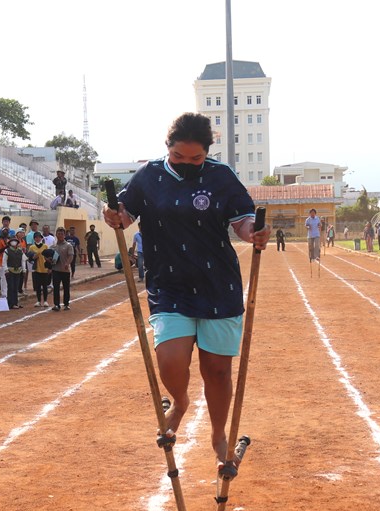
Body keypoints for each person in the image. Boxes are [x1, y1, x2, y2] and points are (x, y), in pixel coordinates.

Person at [103, 112, 269, 476]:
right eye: (180, 157)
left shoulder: (221, 176)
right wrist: (113, 216)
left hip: (218, 286)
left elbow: (241, 220)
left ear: (207, 153)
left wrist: (253, 233)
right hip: (169, 285)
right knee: (171, 360)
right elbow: (124, 214)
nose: (189, 164)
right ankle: (179, 402)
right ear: (168, 149)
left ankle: (218, 435)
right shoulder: (149, 176)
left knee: (218, 371)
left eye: (196, 159)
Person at [51, 226, 75, 311]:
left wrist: (67, 263)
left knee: (66, 288)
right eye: (58, 233)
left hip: (65, 271)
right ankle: (56, 304)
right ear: (56, 235)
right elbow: (50, 258)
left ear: (64, 235)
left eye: (62, 234)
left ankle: (66, 304)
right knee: (56, 288)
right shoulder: (53, 247)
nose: (60, 235)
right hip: (56, 270)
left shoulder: (68, 245)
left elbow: (71, 256)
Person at [27, 231, 52, 308]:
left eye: (39, 237)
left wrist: (50, 267)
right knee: (37, 286)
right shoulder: (31, 247)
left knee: (45, 286)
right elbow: (29, 258)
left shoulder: (45, 246)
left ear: (41, 238)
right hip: (36, 268)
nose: (38, 239)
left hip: (44, 268)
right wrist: (33, 257)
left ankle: (45, 301)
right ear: (34, 239)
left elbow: (49, 258)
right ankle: (38, 301)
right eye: (36, 237)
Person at [4, 234, 26, 309]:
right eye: (12, 241)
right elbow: (4, 261)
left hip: (18, 271)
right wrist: (6, 270)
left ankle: (15, 302)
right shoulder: (7, 251)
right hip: (10, 271)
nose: (14, 242)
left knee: (16, 287)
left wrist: (24, 270)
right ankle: (10, 303)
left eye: (15, 241)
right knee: (11, 287)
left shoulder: (20, 251)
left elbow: (23, 260)